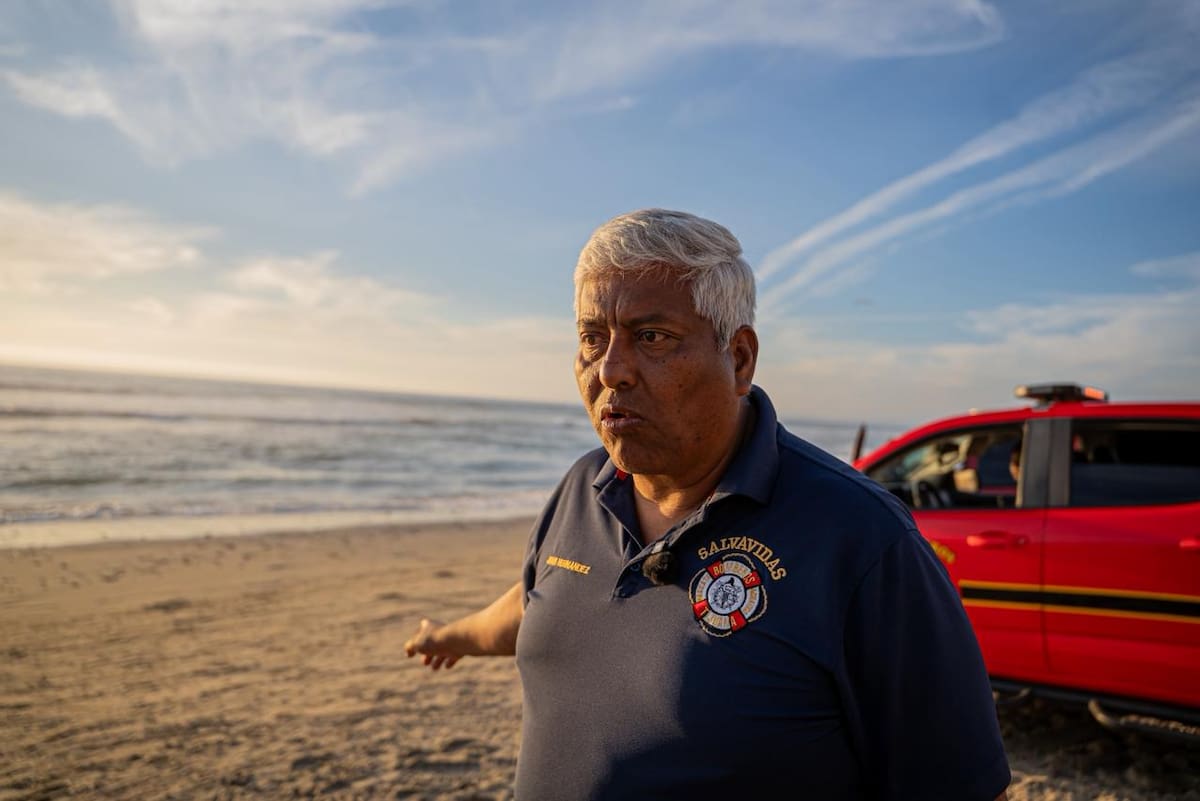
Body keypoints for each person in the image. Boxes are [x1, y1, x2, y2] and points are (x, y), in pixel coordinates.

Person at [405, 209, 1011, 801]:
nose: (611, 370)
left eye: (652, 337)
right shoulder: (584, 486)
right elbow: (540, 599)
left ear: (739, 358)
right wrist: (450, 635)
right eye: (593, 339)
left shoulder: (862, 538)